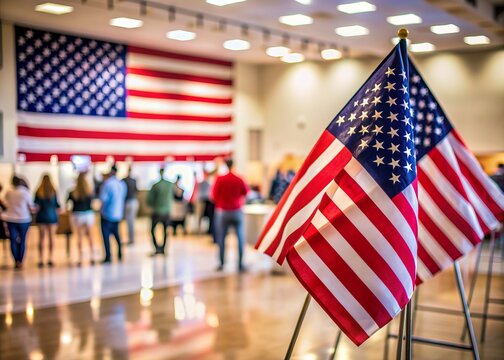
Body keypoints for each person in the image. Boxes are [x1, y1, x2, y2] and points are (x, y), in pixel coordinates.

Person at [212, 159, 249, 272]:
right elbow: (246, 192)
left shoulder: (220, 179)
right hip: (237, 211)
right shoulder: (239, 178)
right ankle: (240, 264)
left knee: (221, 238)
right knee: (240, 238)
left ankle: (222, 263)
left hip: (222, 212)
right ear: (234, 165)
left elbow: (213, 196)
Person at [2, 176, 34, 269]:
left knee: (13, 240)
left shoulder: (9, 192)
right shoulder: (25, 193)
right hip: (24, 218)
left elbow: (5, 203)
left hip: (11, 218)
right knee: (22, 240)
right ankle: (21, 260)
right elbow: (31, 206)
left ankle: (16, 260)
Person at [99, 165, 127, 263]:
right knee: (116, 234)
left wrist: (101, 210)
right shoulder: (122, 184)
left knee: (106, 236)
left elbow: (103, 199)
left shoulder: (107, 184)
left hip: (108, 213)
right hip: (118, 213)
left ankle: (108, 256)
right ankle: (120, 252)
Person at [67, 172, 96, 266]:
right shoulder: (89, 191)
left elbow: (68, 205)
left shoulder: (73, 192)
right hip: (88, 214)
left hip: (77, 215)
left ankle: (80, 258)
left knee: (79, 236)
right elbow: (92, 203)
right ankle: (92, 256)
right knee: (90, 235)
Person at [34, 174, 60, 267]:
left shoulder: (38, 191)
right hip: (52, 217)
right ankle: (51, 258)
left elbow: (36, 205)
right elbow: (57, 205)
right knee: (51, 238)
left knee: (41, 238)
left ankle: (41, 259)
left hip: (41, 216)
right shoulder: (53, 191)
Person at [146, 168, 174, 256]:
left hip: (157, 211)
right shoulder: (170, 184)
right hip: (167, 211)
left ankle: (157, 248)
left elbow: (149, 200)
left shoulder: (155, 185)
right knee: (166, 230)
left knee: (152, 230)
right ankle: (163, 248)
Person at [122, 167, 138, 245]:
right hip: (133, 202)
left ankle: (131, 238)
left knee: (129, 221)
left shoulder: (124, 180)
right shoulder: (133, 181)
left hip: (128, 202)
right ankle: (131, 238)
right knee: (131, 221)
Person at [198, 171, 215, 236]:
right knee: (201, 217)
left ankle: (208, 230)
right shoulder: (203, 183)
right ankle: (201, 230)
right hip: (203, 201)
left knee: (207, 217)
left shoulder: (208, 183)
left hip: (207, 201)